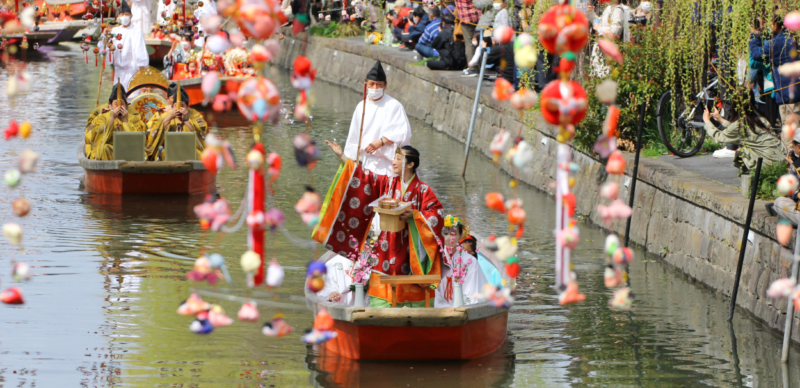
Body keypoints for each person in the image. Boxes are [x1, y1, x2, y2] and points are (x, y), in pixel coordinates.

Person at [315, 143, 445, 308]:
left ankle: (414, 310)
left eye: (399, 158)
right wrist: (342, 156)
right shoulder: (388, 184)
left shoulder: (423, 190)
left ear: (411, 164)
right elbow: (365, 177)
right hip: (386, 245)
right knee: (381, 289)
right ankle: (380, 310)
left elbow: (437, 215)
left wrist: (415, 215)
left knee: (411, 287)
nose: (393, 162)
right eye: (394, 158)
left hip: (410, 249)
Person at [343, 61, 412, 176]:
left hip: (389, 165)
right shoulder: (361, 106)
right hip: (366, 163)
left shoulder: (394, 106)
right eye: (372, 84)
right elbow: (354, 136)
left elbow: (403, 133)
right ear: (366, 84)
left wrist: (381, 142)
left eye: (379, 84)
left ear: (385, 85)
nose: (375, 88)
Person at [701, 90, 784, 173]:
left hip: (768, 164)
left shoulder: (740, 124)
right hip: (781, 159)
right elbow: (743, 130)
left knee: (741, 152)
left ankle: (752, 179)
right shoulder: (760, 117)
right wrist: (720, 119)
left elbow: (719, 137)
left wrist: (707, 121)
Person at [750, 9, 800, 124]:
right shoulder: (793, 38)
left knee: (790, 135)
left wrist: (755, 35)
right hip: (793, 93)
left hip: (789, 95)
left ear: (776, 24)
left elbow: (756, 54)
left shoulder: (778, 42)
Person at [434, 216, 489, 307]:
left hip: (462, 308)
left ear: (460, 235)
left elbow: (471, 291)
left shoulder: (470, 261)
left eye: (453, 234)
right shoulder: (436, 258)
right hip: (439, 309)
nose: (449, 238)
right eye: (445, 233)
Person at [98, 0, 149, 98]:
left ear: (131, 16)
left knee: (132, 97)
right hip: (119, 71)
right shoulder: (115, 31)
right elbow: (105, 49)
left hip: (132, 71)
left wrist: (141, 75)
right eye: (122, 14)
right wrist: (105, 37)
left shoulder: (136, 31)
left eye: (126, 14)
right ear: (118, 17)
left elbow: (140, 52)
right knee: (118, 97)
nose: (124, 16)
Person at [84, 81, 147, 161]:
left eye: (122, 104)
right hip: (109, 152)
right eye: (116, 104)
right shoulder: (102, 117)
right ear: (110, 105)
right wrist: (112, 118)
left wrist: (125, 121)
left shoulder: (134, 118)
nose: (119, 107)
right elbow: (94, 137)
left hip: (128, 152)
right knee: (105, 148)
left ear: (127, 106)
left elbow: (138, 141)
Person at [145, 82, 208, 161]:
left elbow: (201, 135)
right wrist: (170, 117)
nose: (179, 109)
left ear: (187, 106)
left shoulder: (196, 115)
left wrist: (185, 120)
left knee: (198, 155)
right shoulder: (164, 114)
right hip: (169, 149)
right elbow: (153, 134)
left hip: (190, 149)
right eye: (176, 106)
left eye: (182, 106)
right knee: (164, 153)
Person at [587, 0, 630, 77]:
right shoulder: (610, 8)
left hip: (608, 50)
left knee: (605, 75)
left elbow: (615, 31)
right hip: (603, 48)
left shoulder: (617, 10)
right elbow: (598, 21)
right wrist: (591, 12)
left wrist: (599, 28)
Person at [454, 0, 482, 66]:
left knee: (469, 43)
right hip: (478, 16)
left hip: (465, 19)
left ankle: (472, 67)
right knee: (481, 41)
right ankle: (482, 66)